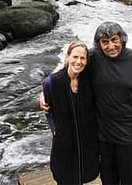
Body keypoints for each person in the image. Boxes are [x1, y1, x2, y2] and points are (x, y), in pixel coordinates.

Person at [40, 22, 132, 185]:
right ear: (99, 44)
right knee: (107, 178)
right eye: (105, 42)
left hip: (128, 135)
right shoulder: (93, 58)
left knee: (129, 178)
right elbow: (70, 68)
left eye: (114, 40)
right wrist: (45, 91)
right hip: (102, 135)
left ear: (122, 39)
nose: (111, 46)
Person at [41, 41, 99, 185]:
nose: (78, 62)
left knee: (85, 175)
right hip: (64, 141)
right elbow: (48, 110)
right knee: (64, 176)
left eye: (82, 58)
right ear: (67, 57)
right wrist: (55, 130)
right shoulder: (52, 82)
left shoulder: (90, 80)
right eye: (75, 57)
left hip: (87, 140)